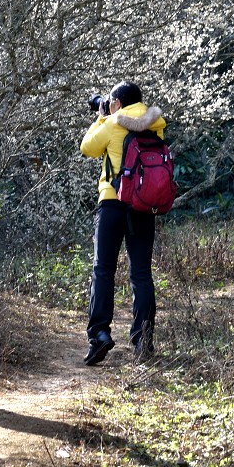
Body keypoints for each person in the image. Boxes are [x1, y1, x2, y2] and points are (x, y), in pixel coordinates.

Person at [79, 81, 167, 366]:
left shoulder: (113, 122)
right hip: (143, 205)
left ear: (117, 102)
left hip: (113, 203)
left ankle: (100, 336)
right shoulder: (156, 123)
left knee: (103, 269)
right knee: (141, 274)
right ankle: (143, 339)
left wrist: (101, 117)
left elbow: (88, 148)